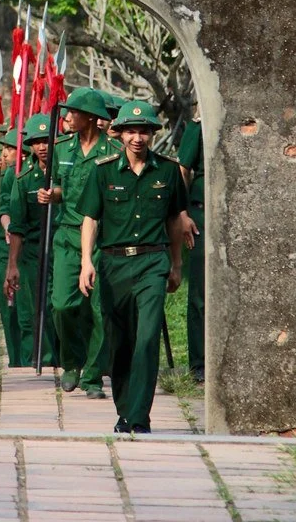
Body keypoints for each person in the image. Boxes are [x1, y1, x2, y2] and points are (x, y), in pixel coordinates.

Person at [78, 100, 192, 433]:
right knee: (120, 342)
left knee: (146, 340)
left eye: (144, 131)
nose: (137, 138)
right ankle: (125, 409)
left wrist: (176, 264)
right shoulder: (103, 170)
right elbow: (90, 219)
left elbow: (175, 220)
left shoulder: (169, 170)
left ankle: (140, 415)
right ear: (120, 134)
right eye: (131, 131)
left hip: (152, 263)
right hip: (113, 265)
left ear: (152, 134)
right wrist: (86, 262)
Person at [38, 88, 118, 398]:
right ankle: (71, 362)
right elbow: (59, 188)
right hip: (67, 234)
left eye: (74, 112)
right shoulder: (61, 149)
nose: (68, 117)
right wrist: (50, 195)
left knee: (100, 310)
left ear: (90, 117)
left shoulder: (111, 151)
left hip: (102, 237)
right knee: (61, 304)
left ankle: (94, 376)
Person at [4, 113, 60, 367]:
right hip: (32, 253)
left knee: (57, 307)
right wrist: (12, 264)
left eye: (45, 140)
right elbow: (18, 225)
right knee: (30, 311)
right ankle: (36, 360)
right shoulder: (23, 178)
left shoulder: (65, 170)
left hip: (62, 247)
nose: (41, 147)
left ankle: (63, 358)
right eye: (36, 142)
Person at [0, 128, 27, 366]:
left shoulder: (34, 174)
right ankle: (16, 360)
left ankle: (32, 358)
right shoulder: (8, 176)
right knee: (10, 308)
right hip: (7, 247)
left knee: (31, 309)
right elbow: (2, 207)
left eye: (10, 148)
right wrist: (9, 226)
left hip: (33, 247)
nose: (4, 153)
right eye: (4, 148)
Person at [177, 109, 205, 383]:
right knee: (200, 292)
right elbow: (183, 169)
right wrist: (182, 213)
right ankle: (199, 362)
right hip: (202, 215)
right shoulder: (199, 124)